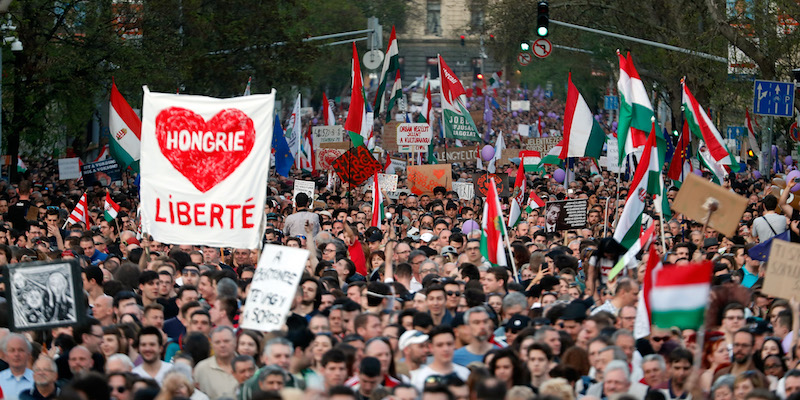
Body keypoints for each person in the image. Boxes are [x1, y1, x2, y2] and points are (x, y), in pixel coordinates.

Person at [409, 326, 470, 391]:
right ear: (431, 347)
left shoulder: (465, 373)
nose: (446, 349)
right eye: (440, 345)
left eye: (449, 344)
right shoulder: (421, 378)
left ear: (454, 344)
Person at [194, 326, 238, 399]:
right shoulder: (201, 368)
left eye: (226, 341)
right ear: (212, 344)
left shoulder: (247, 366)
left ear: (235, 341)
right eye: (217, 342)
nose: (222, 345)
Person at [0, 333, 34, 400]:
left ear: (29, 355)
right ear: (6, 355)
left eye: (21, 350)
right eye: (12, 350)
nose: (16, 354)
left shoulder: (37, 380)